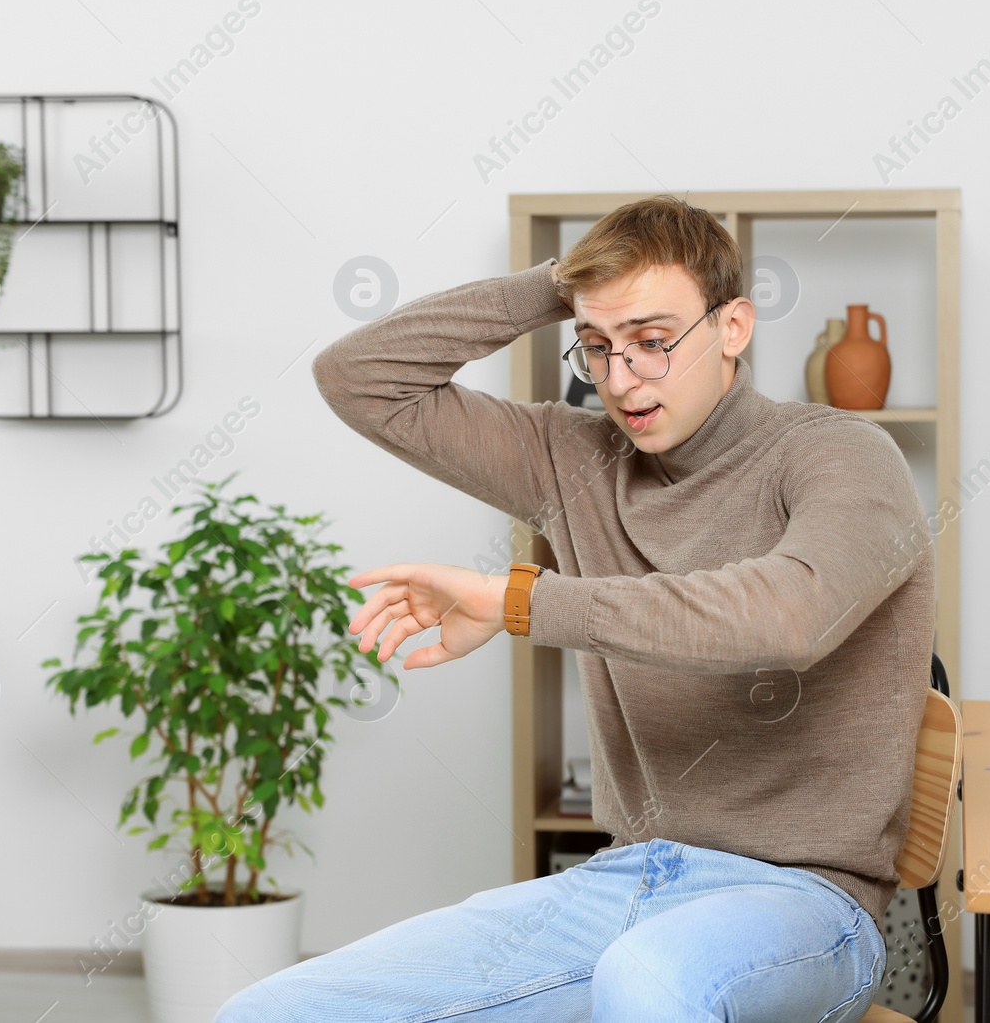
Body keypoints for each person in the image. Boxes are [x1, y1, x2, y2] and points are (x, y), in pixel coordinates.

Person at [215, 194, 935, 1022]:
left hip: (807, 905)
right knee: (266, 1013)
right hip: (627, 879)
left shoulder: (841, 454)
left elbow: (787, 614)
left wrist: (523, 600)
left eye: (654, 342)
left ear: (733, 326)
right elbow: (359, 379)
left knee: (649, 981)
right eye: (598, 347)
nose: (623, 379)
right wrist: (566, 284)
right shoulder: (573, 457)